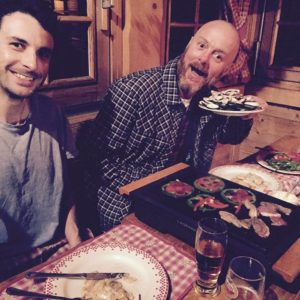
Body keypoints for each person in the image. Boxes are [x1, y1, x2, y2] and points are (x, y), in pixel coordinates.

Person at [78, 20, 266, 232]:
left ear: (227, 69)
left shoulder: (211, 100)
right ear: (189, 44)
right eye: (202, 46)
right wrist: (157, 186)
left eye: (218, 56)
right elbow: (95, 160)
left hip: (183, 201)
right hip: (125, 207)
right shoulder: (131, 91)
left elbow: (230, 136)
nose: (204, 59)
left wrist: (244, 114)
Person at [0, 0, 82, 280]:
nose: (32, 64)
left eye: (43, 53)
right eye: (17, 45)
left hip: (60, 250)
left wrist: (76, 244)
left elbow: (67, 191)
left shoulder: (53, 114)